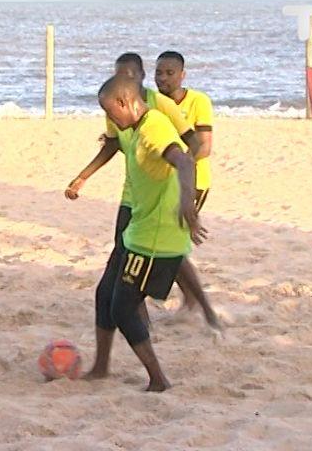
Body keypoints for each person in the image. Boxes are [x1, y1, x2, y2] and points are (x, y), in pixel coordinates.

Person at [64, 52, 208, 328]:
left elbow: (194, 148)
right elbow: (112, 144)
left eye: (128, 75)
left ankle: (200, 308)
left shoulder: (159, 110)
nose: (123, 79)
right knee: (136, 261)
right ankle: (146, 317)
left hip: (166, 195)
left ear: (140, 77)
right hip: (134, 197)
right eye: (118, 75)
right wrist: (83, 177)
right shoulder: (114, 106)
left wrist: (179, 188)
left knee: (164, 256)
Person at [85, 75, 206, 392]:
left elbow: (184, 161)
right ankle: (100, 367)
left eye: (111, 112)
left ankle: (158, 380)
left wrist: (187, 204)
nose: (111, 120)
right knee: (104, 296)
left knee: (123, 308)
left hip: (154, 237)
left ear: (126, 102)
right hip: (136, 230)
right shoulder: (135, 129)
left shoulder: (154, 126)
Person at [154, 51, 220, 328]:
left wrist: (182, 165)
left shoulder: (198, 101)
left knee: (172, 245)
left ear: (182, 75)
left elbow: (204, 146)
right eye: (159, 72)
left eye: (170, 73)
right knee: (168, 244)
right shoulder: (154, 103)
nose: (163, 78)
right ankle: (192, 300)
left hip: (193, 182)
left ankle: (202, 305)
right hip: (161, 183)